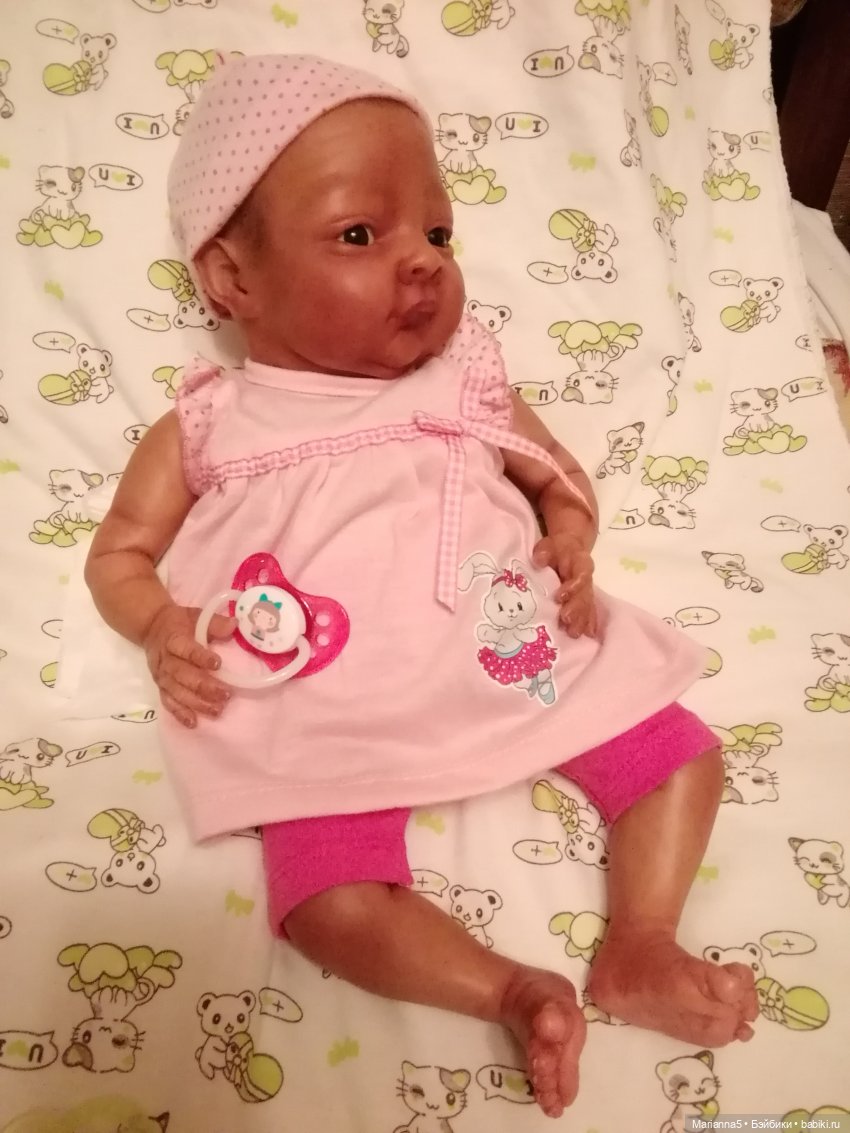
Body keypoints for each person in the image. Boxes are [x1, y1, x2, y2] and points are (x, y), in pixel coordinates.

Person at [85, 53, 757, 1119]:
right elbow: (117, 554)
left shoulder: (463, 378)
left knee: (678, 750)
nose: (421, 262)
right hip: (327, 703)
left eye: (438, 234)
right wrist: (160, 622)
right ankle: (508, 988)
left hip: (504, 652)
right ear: (231, 278)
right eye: (361, 234)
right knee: (324, 896)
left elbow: (556, 477)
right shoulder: (211, 420)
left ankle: (641, 940)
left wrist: (570, 537)